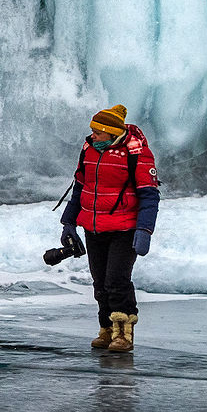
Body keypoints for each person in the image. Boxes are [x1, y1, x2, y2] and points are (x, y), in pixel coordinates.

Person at [58, 105, 160, 352]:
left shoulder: (137, 154)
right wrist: (69, 223)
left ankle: (124, 333)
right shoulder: (89, 151)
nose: (93, 136)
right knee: (100, 282)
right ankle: (106, 330)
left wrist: (144, 231)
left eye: (98, 132)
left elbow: (149, 195)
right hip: (94, 227)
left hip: (124, 229)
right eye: (92, 131)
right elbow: (79, 188)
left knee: (117, 281)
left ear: (112, 132)